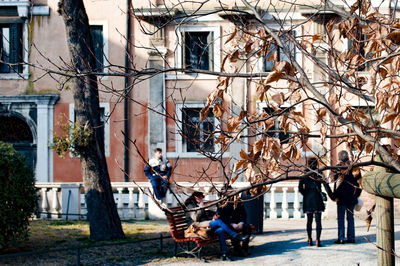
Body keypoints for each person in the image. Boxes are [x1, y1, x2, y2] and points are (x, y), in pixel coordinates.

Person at [184, 191, 249, 261]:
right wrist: (201, 207)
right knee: (218, 222)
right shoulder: (189, 204)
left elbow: (204, 215)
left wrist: (213, 216)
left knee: (220, 230)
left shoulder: (198, 203)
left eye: (202, 197)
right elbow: (195, 218)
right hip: (196, 227)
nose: (202, 199)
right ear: (195, 197)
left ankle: (224, 254)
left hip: (204, 226)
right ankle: (235, 236)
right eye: (200, 197)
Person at [333, 150, 362, 244]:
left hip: (341, 197)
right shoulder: (355, 168)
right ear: (348, 157)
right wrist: (356, 195)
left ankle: (341, 238)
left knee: (341, 218)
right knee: (350, 218)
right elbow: (360, 183)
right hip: (351, 197)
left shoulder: (337, 168)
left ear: (339, 158)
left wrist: (335, 196)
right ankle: (351, 237)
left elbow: (335, 184)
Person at [299, 157, 325, 247]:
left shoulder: (304, 172)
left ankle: (309, 239)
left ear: (308, 164)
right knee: (318, 221)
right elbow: (325, 185)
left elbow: (300, 188)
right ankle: (318, 239)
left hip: (308, 199)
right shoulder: (320, 172)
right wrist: (332, 196)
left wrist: (306, 194)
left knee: (309, 221)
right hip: (317, 198)